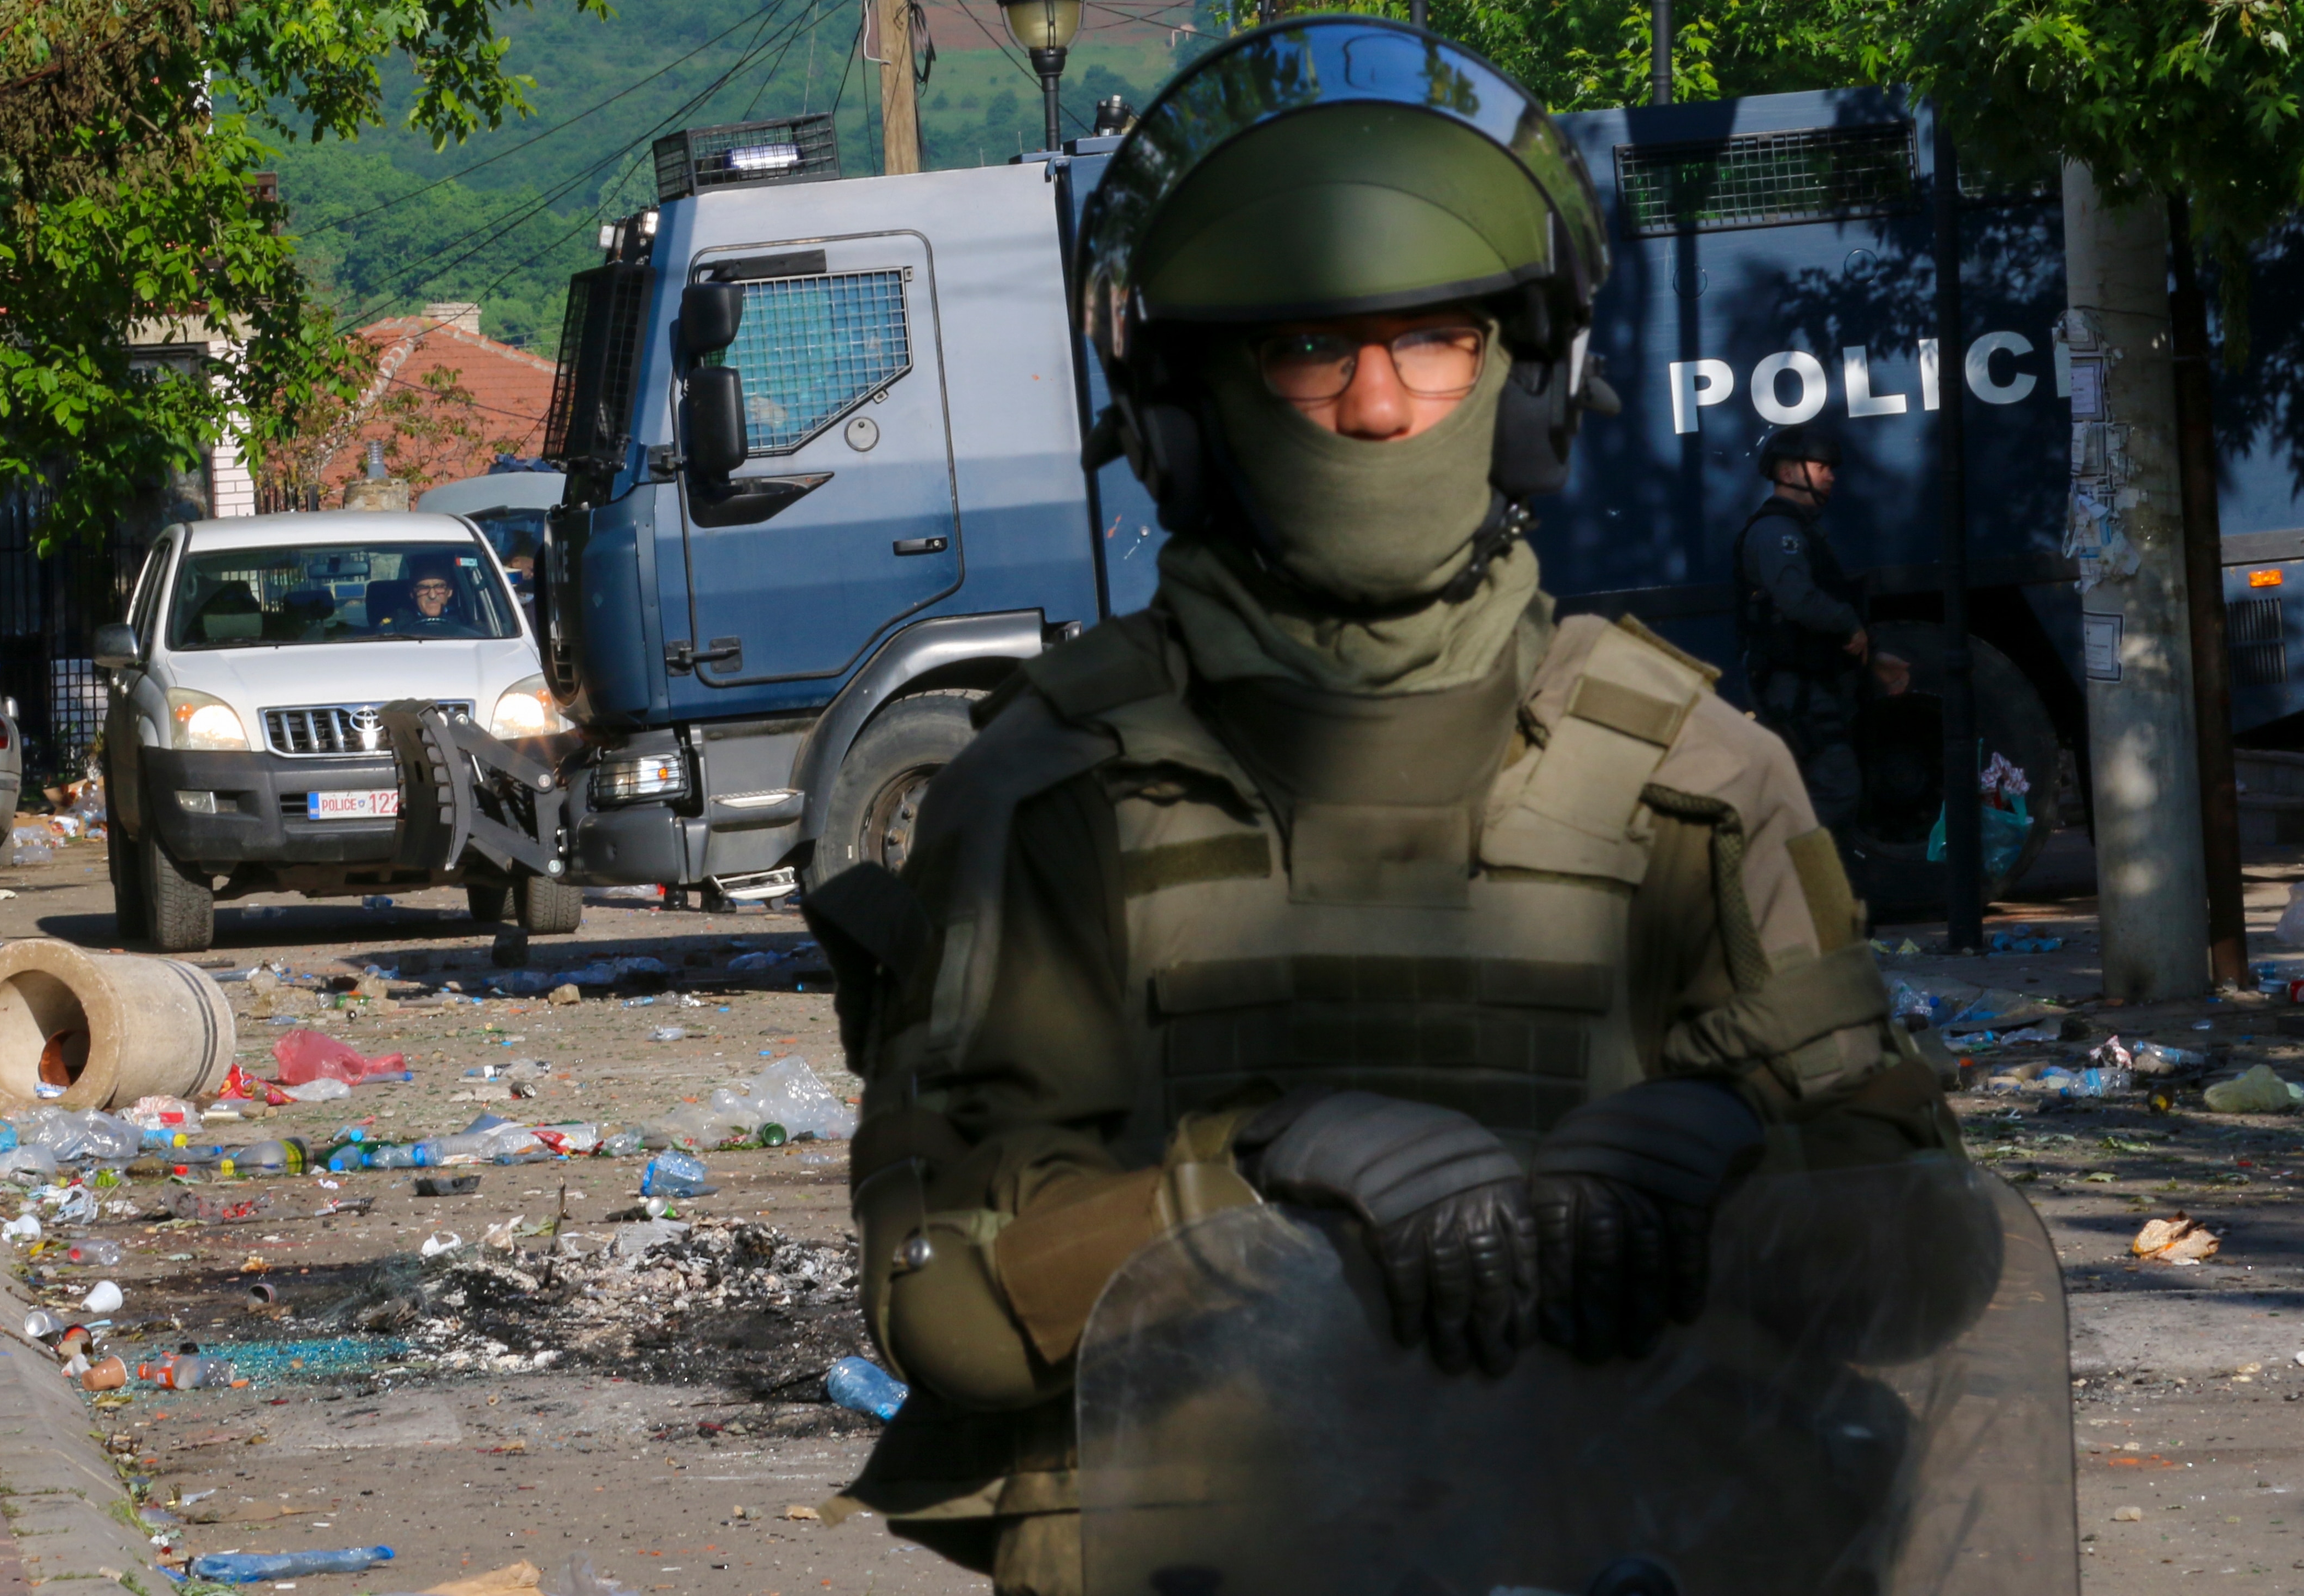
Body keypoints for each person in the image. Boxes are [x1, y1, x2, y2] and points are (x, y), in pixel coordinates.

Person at [803, 20, 1965, 1594]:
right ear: (1184, 401)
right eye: (1303, 348)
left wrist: (1738, 1160)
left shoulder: (1690, 773)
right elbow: (937, 1296)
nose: (1371, 405)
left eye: (1432, 340)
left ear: (1527, 384)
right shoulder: (1055, 788)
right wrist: (1245, 1180)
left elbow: (1928, 1270)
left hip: (1611, 1533)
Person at [1735, 426, 1868, 834]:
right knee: (1834, 790)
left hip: (1804, 684)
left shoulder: (1795, 529)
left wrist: (1871, 655)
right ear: (1790, 473)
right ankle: (1794, 882)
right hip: (1793, 689)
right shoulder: (1778, 533)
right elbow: (1798, 601)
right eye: (1821, 466)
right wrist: (1849, 624)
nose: (1830, 476)